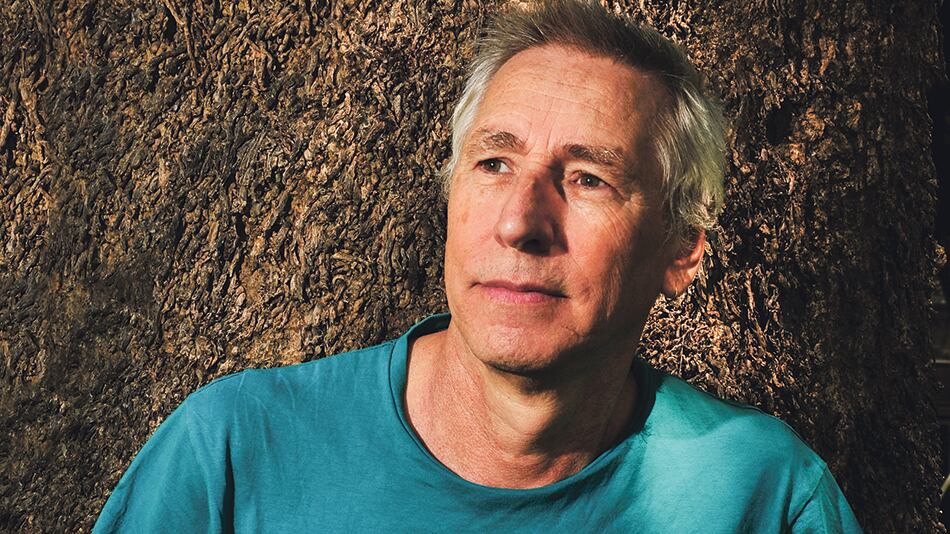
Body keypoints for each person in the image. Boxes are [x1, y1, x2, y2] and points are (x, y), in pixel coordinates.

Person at [94, 1, 862, 532]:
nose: (520, 222)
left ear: (682, 249)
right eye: (494, 163)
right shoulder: (235, 452)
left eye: (588, 179)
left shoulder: (763, 498)